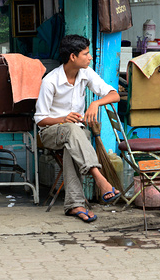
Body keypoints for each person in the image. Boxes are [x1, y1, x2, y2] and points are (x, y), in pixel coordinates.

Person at [34, 34, 122, 222]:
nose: (90, 57)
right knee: (72, 130)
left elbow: (114, 95)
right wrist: (63, 118)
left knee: (72, 143)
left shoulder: (85, 73)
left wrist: (96, 103)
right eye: (86, 54)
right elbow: (40, 120)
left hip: (74, 136)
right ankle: (100, 178)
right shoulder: (50, 81)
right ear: (72, 57)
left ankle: (75, 206)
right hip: (51, 133)